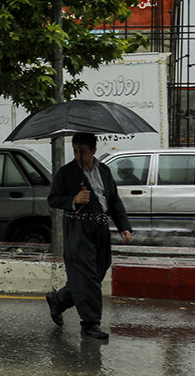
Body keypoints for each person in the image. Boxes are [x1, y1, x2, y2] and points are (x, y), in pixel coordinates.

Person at [45, 132, 133, 341]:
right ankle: (90, 323)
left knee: (97, 272)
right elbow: (53, 199)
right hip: (77, 229)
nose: (78, 156)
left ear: (93, 151)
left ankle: (59, 300)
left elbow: (113, 200)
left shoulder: (104, 171)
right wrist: (74, 199)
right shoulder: (66, 173)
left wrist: (123, 226)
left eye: (82, 152)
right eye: (75, 151)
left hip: (100, 229)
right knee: (86, 277)